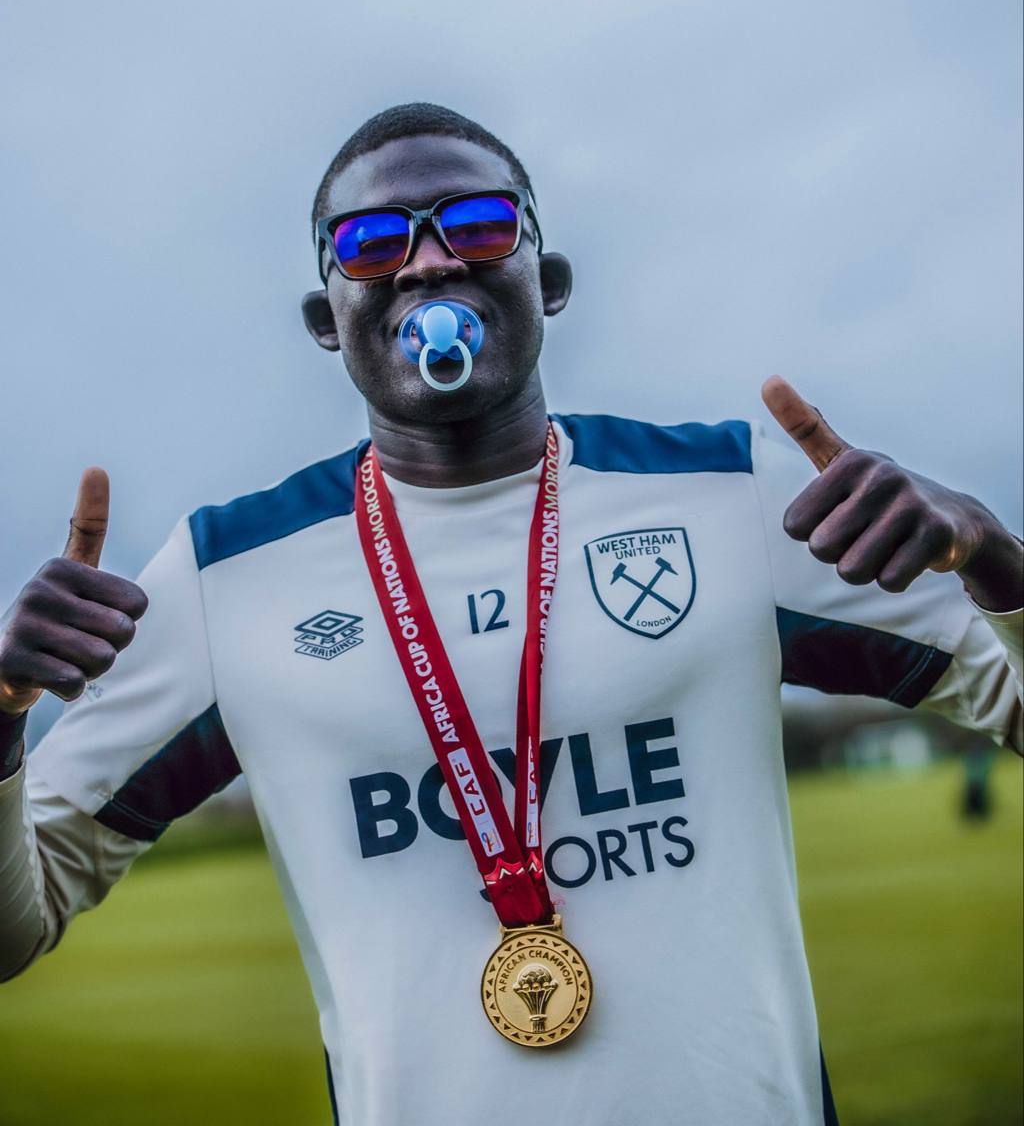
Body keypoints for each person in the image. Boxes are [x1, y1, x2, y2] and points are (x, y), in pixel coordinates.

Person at [1, 103, 1020, 1126]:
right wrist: (3, 712)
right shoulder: (224, 574)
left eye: (480, 225)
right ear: (326, 317)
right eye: (372, 242)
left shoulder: (728, 494)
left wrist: (995, 558)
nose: (428, 261)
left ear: (550, 278)